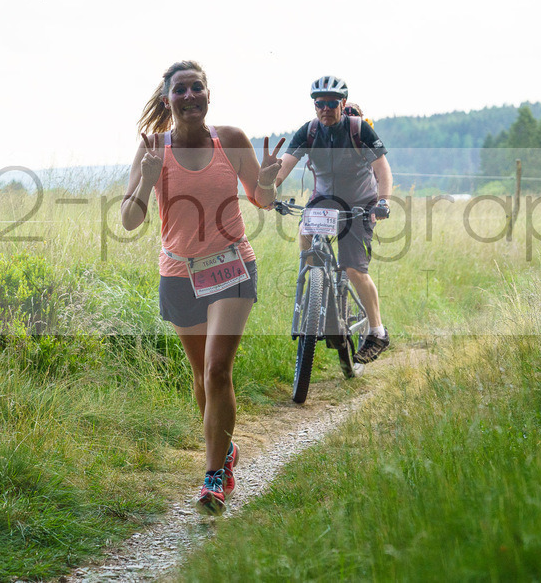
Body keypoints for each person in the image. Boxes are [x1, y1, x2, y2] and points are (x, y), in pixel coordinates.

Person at [120, 60, 283, 516]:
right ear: (167, 99)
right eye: (181, 89)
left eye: (197, 87)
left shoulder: (230, 139)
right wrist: (147, 179)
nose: (190, 95)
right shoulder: (153, 148)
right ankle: (225, 450)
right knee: (200, 378)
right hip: (179, 273)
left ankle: (214, 477)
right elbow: (129, 220)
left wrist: (266, 182)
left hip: (231, 265)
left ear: (208, 94)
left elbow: (263, 201)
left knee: (216, 371)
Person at [273, 75, 393, 363]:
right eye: (319, 103)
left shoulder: (359, 129)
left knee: (354, 268)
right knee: (305, 232)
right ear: (314, 105)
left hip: (360, 203)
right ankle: (315, 289)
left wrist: (383, 201)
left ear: (342, 103)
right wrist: (268, 190)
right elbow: (282, 169)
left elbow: (383, 170)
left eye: (331, 102)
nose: (325, 108)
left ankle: (377, 332)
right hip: (324, 199)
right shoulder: (308, 132)